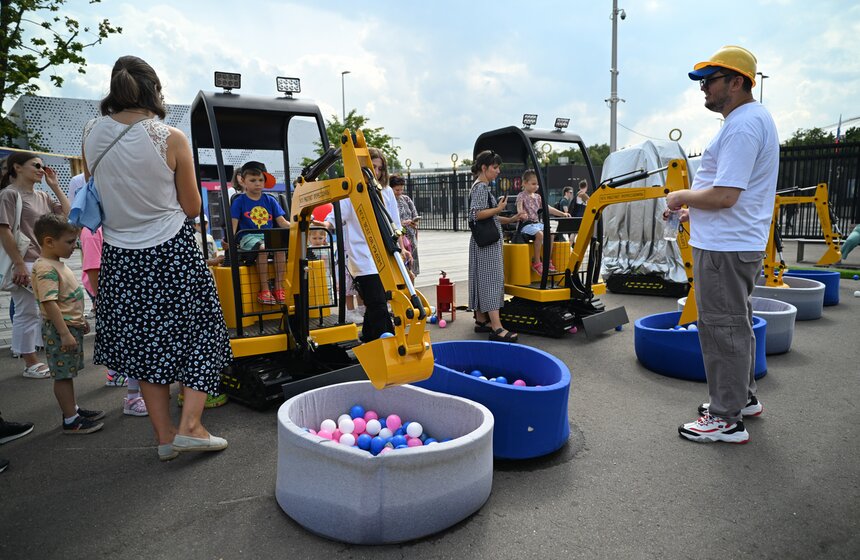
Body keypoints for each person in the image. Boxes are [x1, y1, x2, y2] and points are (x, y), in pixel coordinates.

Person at [83, 55, 231, 460]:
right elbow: (192, 207)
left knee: (145, 345)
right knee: (204, 334)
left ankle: (165, 438)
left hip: (120, 255)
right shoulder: (169, 138)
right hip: (170, 252)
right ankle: (192, 426)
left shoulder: (92, 132)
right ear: (155, 90)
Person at [666, 45, 778, 444]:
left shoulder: (744, 125)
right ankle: (741, 399)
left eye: (710, 81)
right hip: (733, 242)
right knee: (737, 325)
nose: (704, 90)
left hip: (725, 249)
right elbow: (727, 195)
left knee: (721, 329)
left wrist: (681, 198)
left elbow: (727, 194)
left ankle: (726, 418)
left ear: (737, 81)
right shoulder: (749, 120)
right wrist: (694, 211)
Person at [31, 214, 105, 434]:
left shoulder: (55, 263)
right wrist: (64, 332)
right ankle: (71, 420)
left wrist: (79, 322)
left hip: (68, 326)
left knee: (68, 373)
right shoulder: (45, 268)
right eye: (70, 242)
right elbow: (49, 303)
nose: (75, 247)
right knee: (63, 376)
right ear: (49, 241)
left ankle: (72, 409)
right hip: (59, 329)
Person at [0, 152, 70, 379]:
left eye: (43, 165)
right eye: (36, 165)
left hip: (43, 262)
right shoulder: (9, 195)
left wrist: (56, 186)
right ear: (17, 167)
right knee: (26, 312)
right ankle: (30, 362)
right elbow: (4, 230)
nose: (42, 169)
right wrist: (19, 264)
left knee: (43, 311)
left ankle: (36, 358)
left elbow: (68, 217)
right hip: (25, 262)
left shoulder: (42, 195)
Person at [79, 225, 148, 416]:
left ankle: (132, 386)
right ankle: (133, 396)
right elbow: (93, 268)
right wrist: (101, 301)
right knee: (132, 343)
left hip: (121, 292)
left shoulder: (112, 223)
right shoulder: (92, 230)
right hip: (111, 294)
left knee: (133, 342)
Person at [469, 150, 525, 342]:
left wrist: (509, 218)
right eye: (495, 167)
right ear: (484, 168)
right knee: (491, 281)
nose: (498, 171)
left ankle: (481, 320)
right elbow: (476, 214)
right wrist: (499, 208)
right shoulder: (481, 188)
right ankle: (497, 327)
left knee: (481, 278)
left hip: (483, 242)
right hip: (488, 245)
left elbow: (489, 217)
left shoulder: (480, 187)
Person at [230, 161, 290, 305]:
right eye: (253, 180)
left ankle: (278, 287)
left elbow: (282, 222)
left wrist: (297, 225)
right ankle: (264, 290)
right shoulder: (239, 201)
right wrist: (230, 243)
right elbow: (233, 225)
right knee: (263, 248)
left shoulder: (270, 200)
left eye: (260, 180)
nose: (257, 183)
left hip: (267, 236)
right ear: (243, 181)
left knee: (279, 248)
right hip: (248, 237)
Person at [516, 169, 570, 275]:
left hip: (536, 224)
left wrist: (563, 214)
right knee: (540, 235)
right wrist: (521, 213)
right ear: (524, 183)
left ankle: (547, 260)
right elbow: (519, 208)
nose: (536, 186)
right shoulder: (521, 196)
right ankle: (536, 262)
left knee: (551, 232)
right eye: (533, 184)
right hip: (526, 224)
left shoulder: (538, 197)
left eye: (537, 184)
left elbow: (548, 208)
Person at [391, 174, 420, 276]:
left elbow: (415, 216)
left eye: (401, 190)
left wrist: (412, 222)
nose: (399, 192)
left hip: (410, 238)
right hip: (399, 239)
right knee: (402, 270)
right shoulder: (389, 201)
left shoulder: (406, 199)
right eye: (396, 190)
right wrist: (401, 223)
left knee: (412, 270)